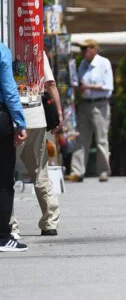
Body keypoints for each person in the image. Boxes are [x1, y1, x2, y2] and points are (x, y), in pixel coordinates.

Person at [11, 51, 61, 238]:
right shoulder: (37, 50)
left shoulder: (6, 48)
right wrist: (58, 113)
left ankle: (10, 224)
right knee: (40, 171)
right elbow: (51, 84)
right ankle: (50, 221)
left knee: (6, 174)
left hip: (14, 118)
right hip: (37, 116)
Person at [67, 40, 114, 182]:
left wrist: (88, 86)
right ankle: (77, 171)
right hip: (85, 104)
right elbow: (80, 83)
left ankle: (104, 171)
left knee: (101, 139)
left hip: (100, 104)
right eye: (82, 49)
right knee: (81, 139)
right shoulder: (82, 64)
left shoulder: (104, 63)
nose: (83, 52)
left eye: (85, 48)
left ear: (94, 49)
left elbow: (108, 87)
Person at [0, 41, 27, 252]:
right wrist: (20, 122)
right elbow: (9, 90)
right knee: (3, 180)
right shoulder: (1, 50)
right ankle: (2, 237)